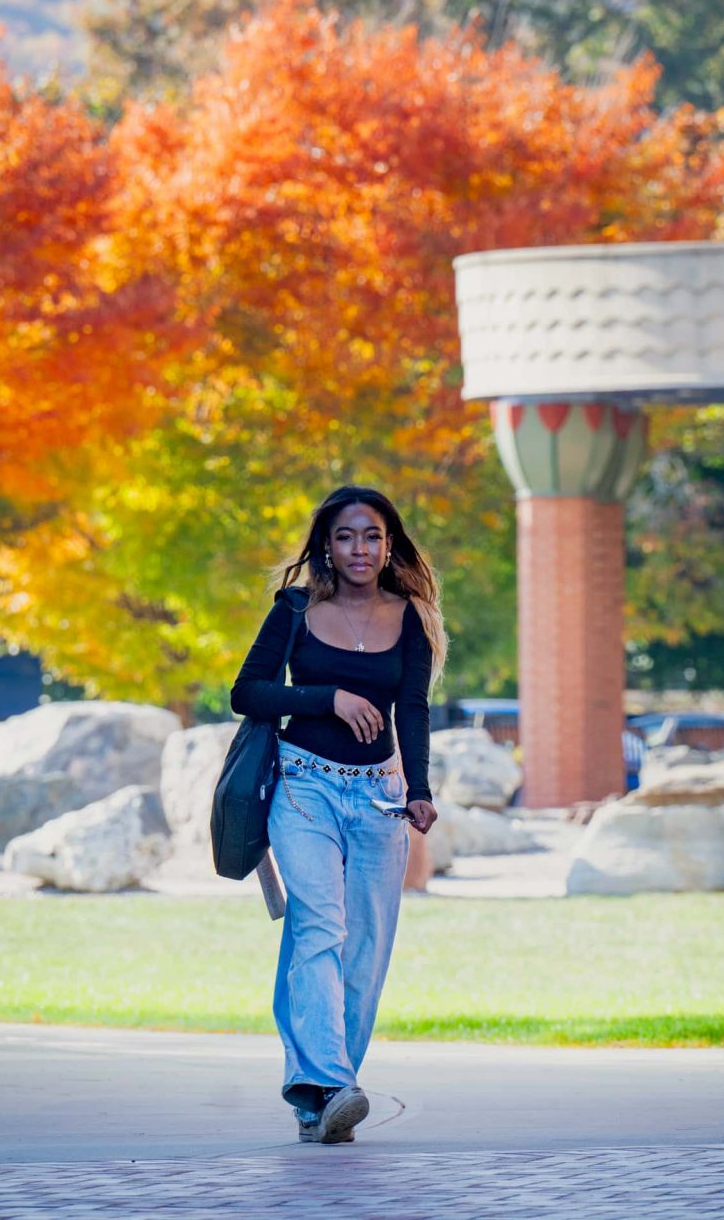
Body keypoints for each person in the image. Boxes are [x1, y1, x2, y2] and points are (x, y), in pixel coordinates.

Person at [230, 485, 444, 1145]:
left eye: (372, 535)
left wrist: (419, 788)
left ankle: (321, 1097)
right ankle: (329, 1084)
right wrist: (328, 698)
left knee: (365, 947)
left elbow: (413, 707)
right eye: (346, 536)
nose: (360, 548)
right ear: (327, 545)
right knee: (318, 926)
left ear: (389, 544)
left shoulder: (411, 617)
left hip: (380, 794)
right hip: (304, 787)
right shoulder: (296, 610)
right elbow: (247, 692)